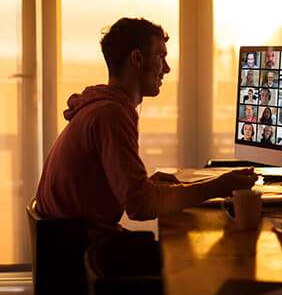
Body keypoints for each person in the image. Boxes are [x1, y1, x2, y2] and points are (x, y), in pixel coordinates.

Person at [35, 17, 257, 239]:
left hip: (69, 244)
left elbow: (122, 191)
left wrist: (148, 185)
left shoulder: (101, 108)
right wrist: (218, 187)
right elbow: (140, 205)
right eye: (161, 57)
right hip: (84, 255)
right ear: (137, 58)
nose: (167, 69)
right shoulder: (111, 115)